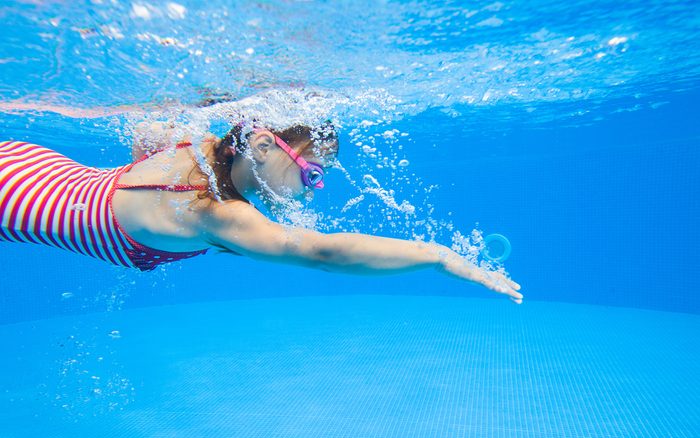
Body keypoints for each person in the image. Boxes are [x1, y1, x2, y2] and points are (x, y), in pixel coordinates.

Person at [0, 109, 523, 304]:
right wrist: (437, 256)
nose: (313, 188)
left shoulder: (197, 143)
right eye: (313, 172)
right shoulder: (216, 213)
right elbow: (322, 253)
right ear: (268, 145)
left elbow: (143, 136)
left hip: (28, 163)